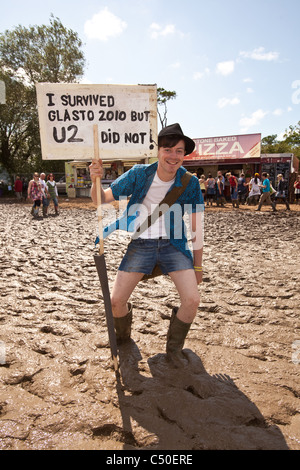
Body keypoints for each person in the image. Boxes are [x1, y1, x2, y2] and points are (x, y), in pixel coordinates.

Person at [89, 123, 204, 368]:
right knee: (116, 302)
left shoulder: (190, 183)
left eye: (179, 151)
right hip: (141, 244)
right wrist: (94, 179)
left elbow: (197, 227)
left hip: (175, 246)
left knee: (192, 300)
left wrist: (198, 265)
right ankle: (124, 339)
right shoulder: (138, 174)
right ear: (158, 150)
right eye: (168, 149)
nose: (173, 156)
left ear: (184, 155)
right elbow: (102, 199)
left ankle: (174, 350)